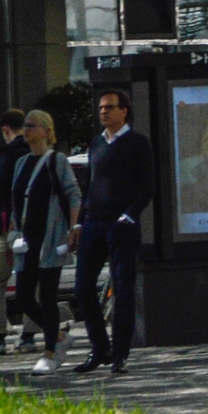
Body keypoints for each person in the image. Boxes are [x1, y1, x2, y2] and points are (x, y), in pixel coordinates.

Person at [71, 87, 152, 376]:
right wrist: (79, 222)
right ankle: (99, 348)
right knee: (82, 287)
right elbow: (89, 185)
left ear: (124, 111)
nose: (103, 111)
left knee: (123, 290)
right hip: (94, 223)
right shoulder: (95, 144)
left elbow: (146, 188)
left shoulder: (137, 143)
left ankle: (120, 355)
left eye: (109, 107)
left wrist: (127, 217)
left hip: (122, 227)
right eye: (101, 107)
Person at [9, 111, 80, 373]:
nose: (26, 130)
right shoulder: (21, 163)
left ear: (47, 131)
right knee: (24, 298)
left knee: (48, 296)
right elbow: (17, 201)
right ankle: (59, 335)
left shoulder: (57, 160)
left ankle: (50, 352)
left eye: (31, 126)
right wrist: (13, 234)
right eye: (24, 126)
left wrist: (73, 227)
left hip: (50, 236)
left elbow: (73, 194)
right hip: (26, 240)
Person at [0, 108, 29, 353]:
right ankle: (29, 335)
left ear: (5, 130)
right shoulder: (35, 152)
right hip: (32, 224)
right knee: (31, 277)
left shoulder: (6, 155)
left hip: (6, 224)